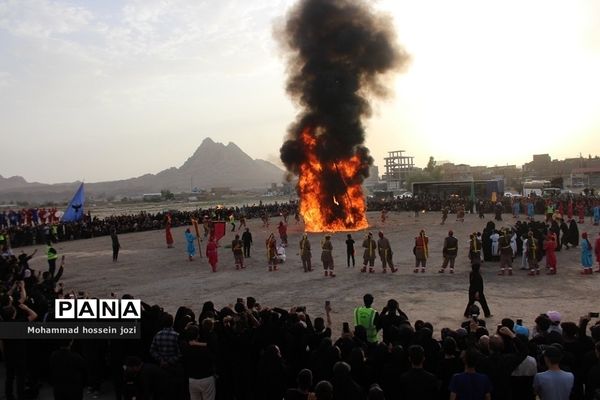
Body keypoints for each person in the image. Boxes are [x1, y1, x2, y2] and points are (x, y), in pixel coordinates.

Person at [181, 324, 216, 400]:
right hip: (206, 378)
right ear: (198, 336)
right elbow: (212, 348)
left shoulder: (186, 349)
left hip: (193, 379)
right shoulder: (205, 349)